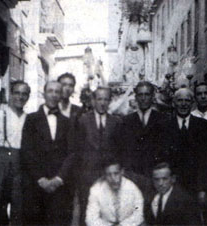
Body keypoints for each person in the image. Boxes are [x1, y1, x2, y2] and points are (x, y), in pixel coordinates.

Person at [21, 81, 75, 225]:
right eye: (50, 91)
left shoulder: (68, 122)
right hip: (36, 185)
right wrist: (40, 179)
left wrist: (59, 179)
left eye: (57, 92)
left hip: (59, 186)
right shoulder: (31, 119)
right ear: (43, 94)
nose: (53, 95)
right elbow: (27, 151)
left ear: (61, 95)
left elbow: (72, 153)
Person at [0, 81, 30, 225]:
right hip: (0, 163)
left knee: (19, 208)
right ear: (11, 94)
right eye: (17, 93)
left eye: (24, 94)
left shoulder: (29, 119)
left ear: (28, 97)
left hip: (20, 165)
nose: (20, 97)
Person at [75, 86, 121, 224]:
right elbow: (77, 151)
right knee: (87, 213)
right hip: (87, 177)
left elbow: (119, 150)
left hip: (109, 176)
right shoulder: (83, 120)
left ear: (110, 101)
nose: (102, 103)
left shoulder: (116, 122)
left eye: (106, 99)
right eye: (99, 99)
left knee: (108, 213)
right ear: (93, 101)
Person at [166, 88, 207, 194]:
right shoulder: (165, 126)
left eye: (187, 100)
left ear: (192, 103)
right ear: (174, 103)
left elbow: (206, 160)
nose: (183, 104)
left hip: (196, 187)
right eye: (180, 100)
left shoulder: (204, 125)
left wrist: (203, 189)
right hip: (172, 186)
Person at [120, 81, 168, 177]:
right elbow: (124, 151)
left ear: (152, 97)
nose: (143, 98)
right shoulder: (126, 121)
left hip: (156, 177)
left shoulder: (163, 120)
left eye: (147, 94)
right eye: (140, 95)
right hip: (133, 176)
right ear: (136, 97)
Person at [85, 156, 144, 226]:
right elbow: (90, 218)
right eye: (109, 174)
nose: (113, 178)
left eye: (116, 173)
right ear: (104, 175)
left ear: (122, 172)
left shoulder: (132, 188)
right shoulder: (96, 190)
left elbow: (139, 214)